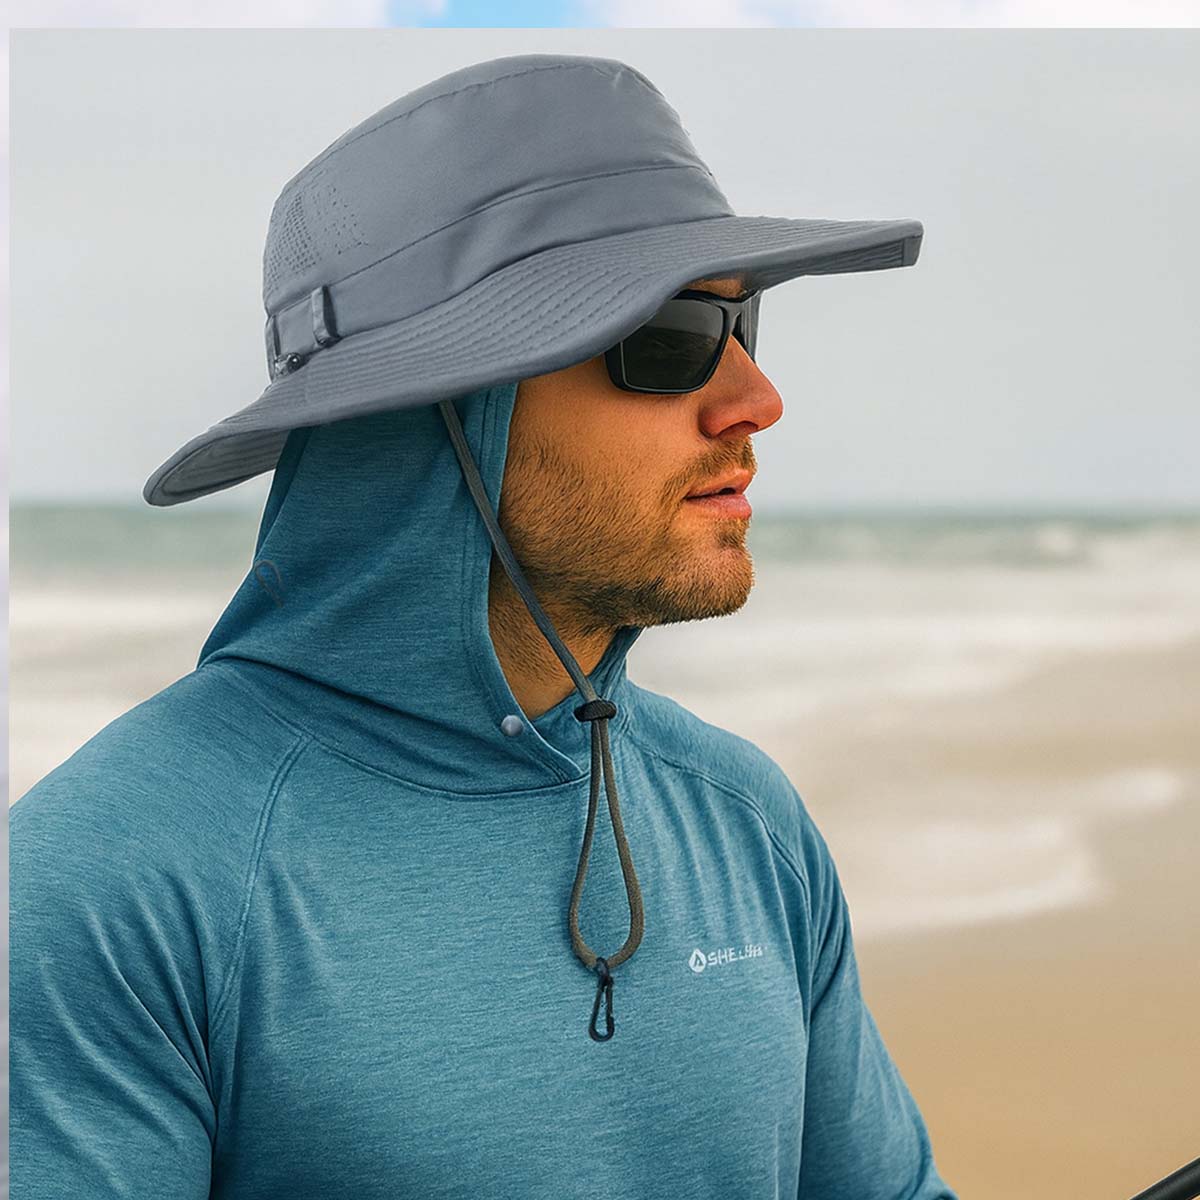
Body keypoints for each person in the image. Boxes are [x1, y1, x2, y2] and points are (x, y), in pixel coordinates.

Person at [9, 51, 957, 1199]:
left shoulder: (746, 821)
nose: (756, 399)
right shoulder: (107, 885)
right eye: (669, 338)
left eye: (743, 319)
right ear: (444, 411)